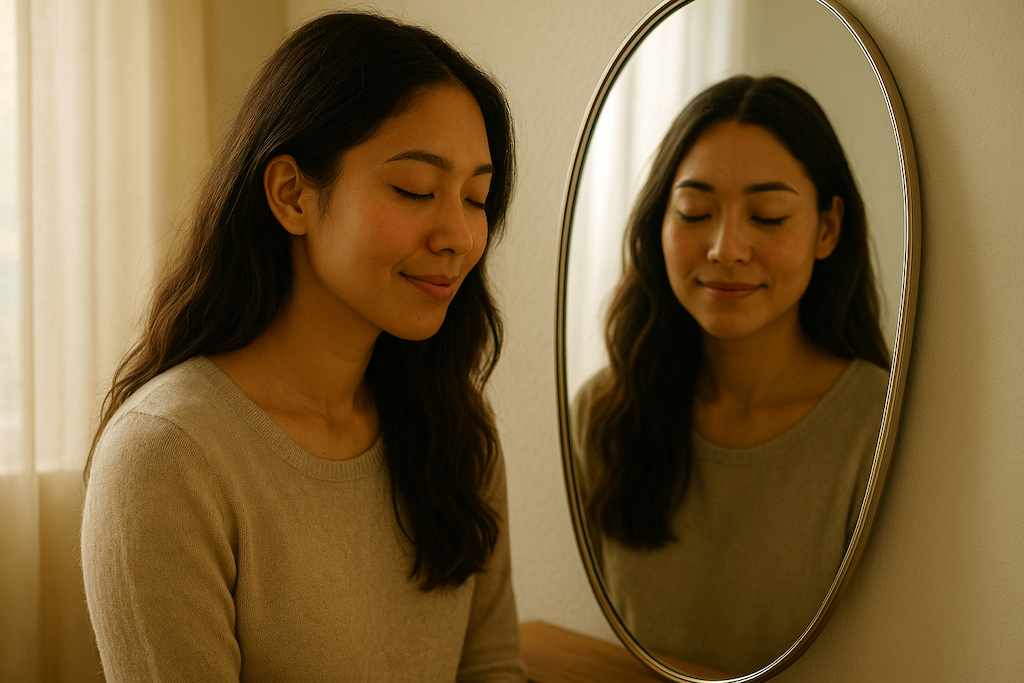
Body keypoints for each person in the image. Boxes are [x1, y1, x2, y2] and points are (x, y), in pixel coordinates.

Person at [81, 12, 525, 683]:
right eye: (415, 190)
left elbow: (491, 666)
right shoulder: (168, 457)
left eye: (476, 198)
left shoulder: (452, 425)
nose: (460, 237)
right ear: (291, 194)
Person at [571, 75, 890, 675]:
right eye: (694, 212)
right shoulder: (604, 412)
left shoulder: (878, 424)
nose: (726, 248)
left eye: (767, 216)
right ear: (659, 222)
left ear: (827, 228)